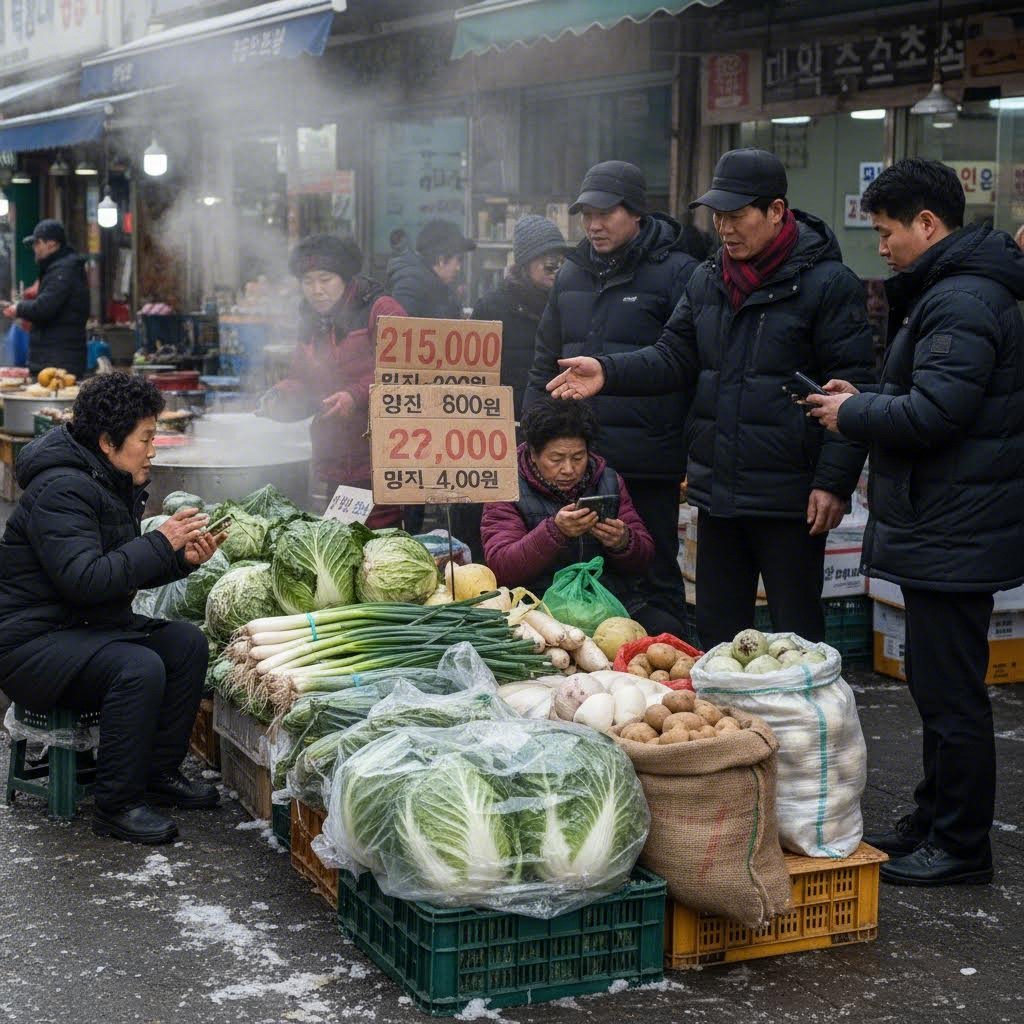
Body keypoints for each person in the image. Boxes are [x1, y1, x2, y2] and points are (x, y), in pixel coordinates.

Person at [547, 148, 875, 647]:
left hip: (791, 495)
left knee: (796, 636)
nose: (725, 228)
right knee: (720, 634)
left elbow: (853, 389)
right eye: (718, 216)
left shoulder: (828, 285)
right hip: (719, 491)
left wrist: (833, 482)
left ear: (776, 211)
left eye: (737, 215)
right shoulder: (709, 278)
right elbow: (671, 357)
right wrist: (607, 370)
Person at [805, 158, 1024, 887]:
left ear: (927, 224)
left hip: (958, 526)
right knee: (936, 685)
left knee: (952, 694)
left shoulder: (963, 298)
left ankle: (960, 845)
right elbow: (926, 393)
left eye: (887, 231)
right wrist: (862, 396)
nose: (882, 248)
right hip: (948, 521)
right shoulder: (954, 290)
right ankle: (932, 820)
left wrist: (853, 413)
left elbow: (936, 414)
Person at [0, 373, 226, 844]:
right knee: (137, 666)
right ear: (107, 441)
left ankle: (158, 775)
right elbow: (86, 580)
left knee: (186, 643)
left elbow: (117, 572)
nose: (152, 450)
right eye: (146, 438)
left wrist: (180, 559)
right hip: (31, 643)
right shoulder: (61, 490)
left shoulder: (103, 479)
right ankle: (117, 804)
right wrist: (160, 542)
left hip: (83, 626)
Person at [523, 161, 699, 635]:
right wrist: (533, 441)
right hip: (578, 461)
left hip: (648, 460)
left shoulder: (678, 272)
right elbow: (544, 364)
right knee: (575, 568)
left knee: (653, 572)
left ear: (637, 212)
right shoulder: (571, 274)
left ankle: (670, 658)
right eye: (586, 215)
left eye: (605, 214)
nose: (594, 225)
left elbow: (689, 364)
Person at [482, 398, 682, 635]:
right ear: (533, 453)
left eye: (578, 458)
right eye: (556, 459)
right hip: (539, 605)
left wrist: (623, 542)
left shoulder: (608, 480)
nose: (568, 469)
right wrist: (554, 532)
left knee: (668, 630)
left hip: (607, 598)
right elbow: (502, 566)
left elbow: (644, 557)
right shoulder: (507, 487)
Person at [257, 234, 405, 526]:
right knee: (341, 541)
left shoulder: (382, 310)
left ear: (345, 277)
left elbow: (405, 372)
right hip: (335, 461)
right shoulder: (311, 320)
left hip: (383, 461)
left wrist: (356, 395)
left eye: (325, 279)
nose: (316, 290)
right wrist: (281, 395)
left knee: (382, 544)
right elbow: (301, 378)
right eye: (308, 281)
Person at [475, 215, 570, 422]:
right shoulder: (492, 307)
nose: (555, 266)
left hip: (558, 421)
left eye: (560, 259)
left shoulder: (568, 304)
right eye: (547, 259)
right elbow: (476, 374)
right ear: (525, 263)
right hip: (507, 420)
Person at [1, 219, 89, 379]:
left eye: (38, 243)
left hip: (59, 361)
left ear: (52, 244)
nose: (34, 248)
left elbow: (44, 307)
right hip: (52, 357)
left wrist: (18, 308)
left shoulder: (63, 270)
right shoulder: (58, 269)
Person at [386, 219, 476, 320]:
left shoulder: (439, 288)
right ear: (441, 260)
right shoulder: (409, 289)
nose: (458, 268)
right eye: (458, 260)